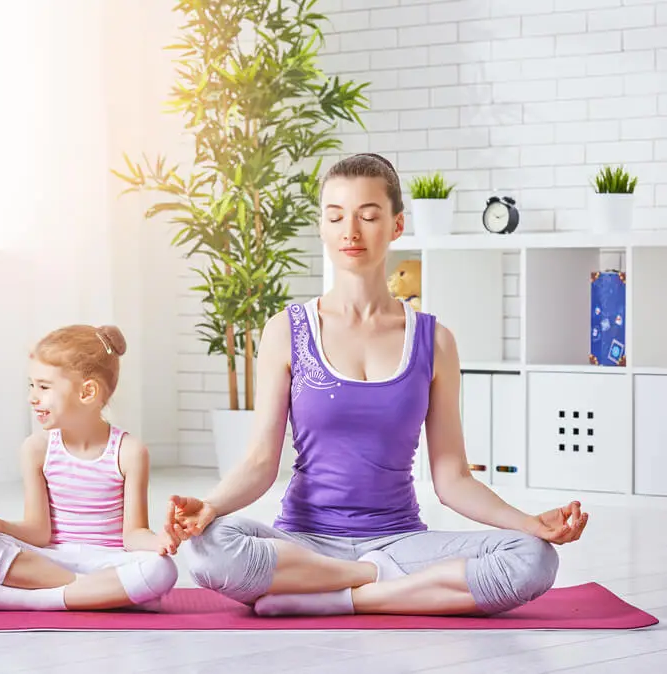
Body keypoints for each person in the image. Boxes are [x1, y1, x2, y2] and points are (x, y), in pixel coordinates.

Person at [166, 153, 589, 617]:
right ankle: (370, 583)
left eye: (368, 216)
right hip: (303, 544)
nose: (351, 231)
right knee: (206, 548)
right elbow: (261, 462)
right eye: (336, 217)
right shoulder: (286, 331)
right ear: (322, 227)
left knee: (534, 558)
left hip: (400, 542)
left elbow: (453, 479)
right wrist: (209, 506)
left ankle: (339, 599)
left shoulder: (435, 340)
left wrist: (530, 524)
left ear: (396, 225)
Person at [0, 324, 180, 612]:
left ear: (87, 392)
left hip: (108, 561)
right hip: (53, 562)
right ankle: (99, 595)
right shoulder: (37, 450)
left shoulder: (129, 452)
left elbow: (133, 535)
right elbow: (39, 532)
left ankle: (32, 600)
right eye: (31, 385)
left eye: (44, 387)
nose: (32, 396)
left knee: (162, 569)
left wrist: (158, 542)